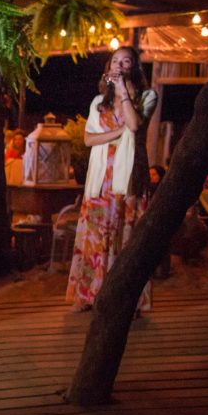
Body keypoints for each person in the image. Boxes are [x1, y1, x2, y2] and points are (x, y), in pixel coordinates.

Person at [67, 46, 157, 313]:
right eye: (115, 61)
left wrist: (123, 94)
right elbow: (88, 138)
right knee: (96, 235)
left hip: (129, 177)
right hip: (101, 177)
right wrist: (117, 134)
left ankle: (127, 299)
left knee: (126, 237)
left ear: (134, 68)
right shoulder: (98, 102)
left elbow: (135, 124)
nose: (119, 65)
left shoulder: (147, 97)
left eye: (126, 61)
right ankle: (89, 294)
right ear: (109, 68)